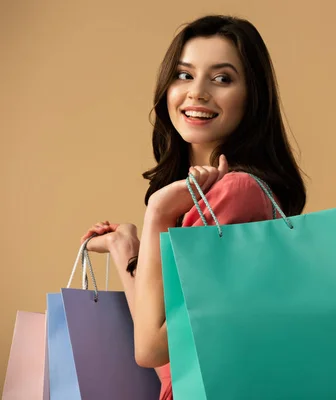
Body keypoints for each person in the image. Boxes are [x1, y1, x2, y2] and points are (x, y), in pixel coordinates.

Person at [80, 15, 306, 399]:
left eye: (222, 78)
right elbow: (163, 334)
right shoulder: (210, 198)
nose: (197, 92)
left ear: (253, 97)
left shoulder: (236, 192)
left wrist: (157, 215)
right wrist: (127, 248)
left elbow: (150, 349)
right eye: (184, 75)